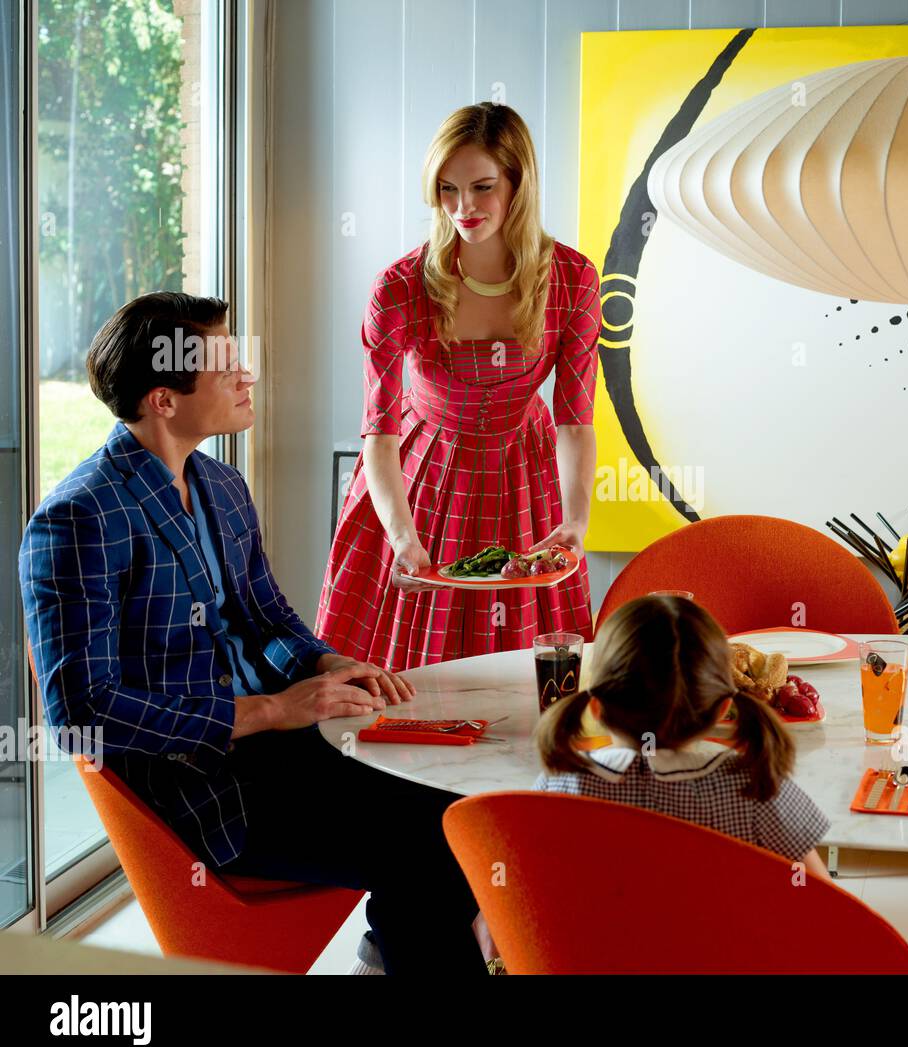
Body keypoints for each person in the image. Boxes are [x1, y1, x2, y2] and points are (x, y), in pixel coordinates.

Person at [19, 292, 484, 975]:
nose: (248, 375)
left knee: (459, 803)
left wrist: (329, 663)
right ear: (163, 399)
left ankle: (389, 951)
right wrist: (272, 709)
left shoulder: (222, 484)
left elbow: (266, 618)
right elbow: (81, 712)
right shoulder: (77, 517)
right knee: (426, 838)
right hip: (200, 787)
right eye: (226, 363)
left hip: (283, 750)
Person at [316, 101, 599, 670]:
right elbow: (379, 431)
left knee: (527, 675)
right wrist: (402, 537)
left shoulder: (573, 278)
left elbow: (574, 417)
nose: (463, 207)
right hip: (419, 475)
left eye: (483, 187)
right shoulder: (398, 288)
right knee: (396, 677)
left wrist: (575, 520)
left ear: (520, 182)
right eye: (447, 189)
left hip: (524, 471)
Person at [534, 595, 833, 877]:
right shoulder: (760, 790)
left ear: (596, 708)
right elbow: (828, 909)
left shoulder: (560, 784)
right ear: (723, 709)